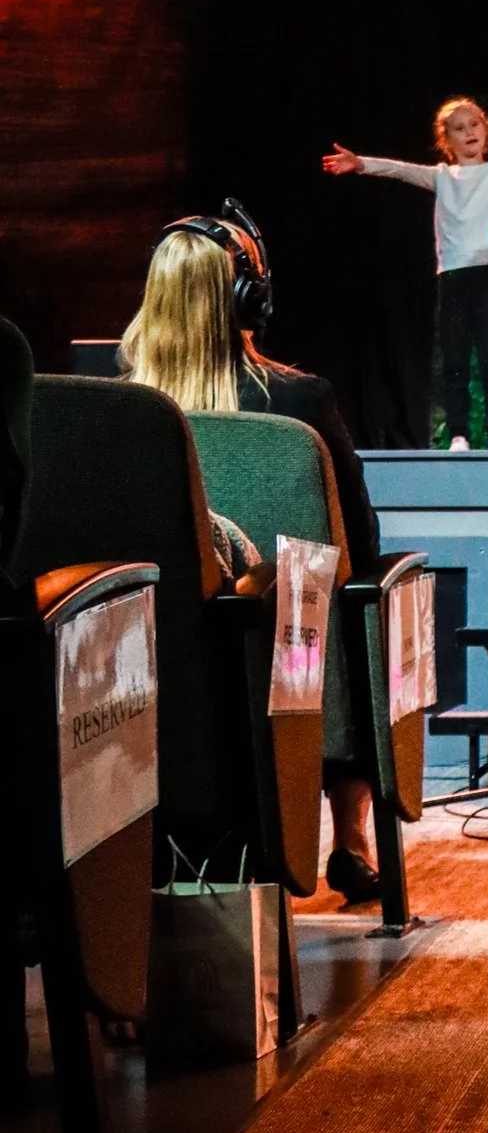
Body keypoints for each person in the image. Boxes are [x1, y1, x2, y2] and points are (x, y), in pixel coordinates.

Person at [120, 224, 388, 903]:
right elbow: (356, 541)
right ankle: (350, 840)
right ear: (247, 300)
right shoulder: (300, 401)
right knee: (361, 603)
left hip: (151, 662)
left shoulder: (121, 412)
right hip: (294, 666)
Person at [323, 98, 488, 450]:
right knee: (455, 358)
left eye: (474, 125)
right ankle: (458, 433)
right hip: (455, 275)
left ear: (486, 131)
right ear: (447, 139)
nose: (469, 132)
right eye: (459, 128)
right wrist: (360, 163)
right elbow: (399, 169)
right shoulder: (442, 176)